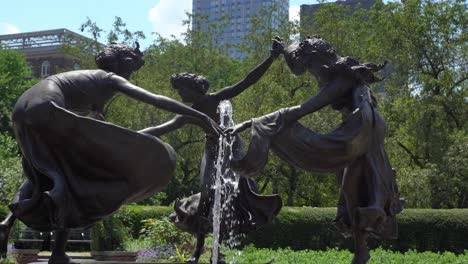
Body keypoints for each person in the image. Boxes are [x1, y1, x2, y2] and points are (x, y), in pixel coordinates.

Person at [0, 43, 222, 263]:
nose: (130, 75)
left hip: (22, 110)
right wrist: (202, 117)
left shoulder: (85, 79)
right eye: (131, 69)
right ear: (124, 64)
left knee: (49, 174)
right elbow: (155, 99)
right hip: (48, 108)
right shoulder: (109, 78)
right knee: (79, 179)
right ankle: (57, 249)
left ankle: (11, 225)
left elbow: (95, 123)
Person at [228, 36, 404, 264]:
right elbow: (300, 54)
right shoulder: (338, 72)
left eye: (310, 69)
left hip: (359, 128)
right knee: (352, 191)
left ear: (317, 61)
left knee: (350, 185)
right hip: (366, 127)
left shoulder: (340, 79)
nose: (312, 75)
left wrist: (255, 122)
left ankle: (362, 248)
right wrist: (282, 52)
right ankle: (361, 251)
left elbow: (304, 109)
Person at [140, 38, 284, 263]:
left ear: (193, 88)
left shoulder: (218, 99)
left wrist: (271, 57)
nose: (180, 96)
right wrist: (134, 135)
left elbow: (247, 81)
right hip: (211, 148)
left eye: (182, 90)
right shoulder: (187, 112)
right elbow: (163, 128)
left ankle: (218, 252)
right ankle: (198, 250)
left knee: (228, 192)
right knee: (208, 192)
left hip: (232, 145)